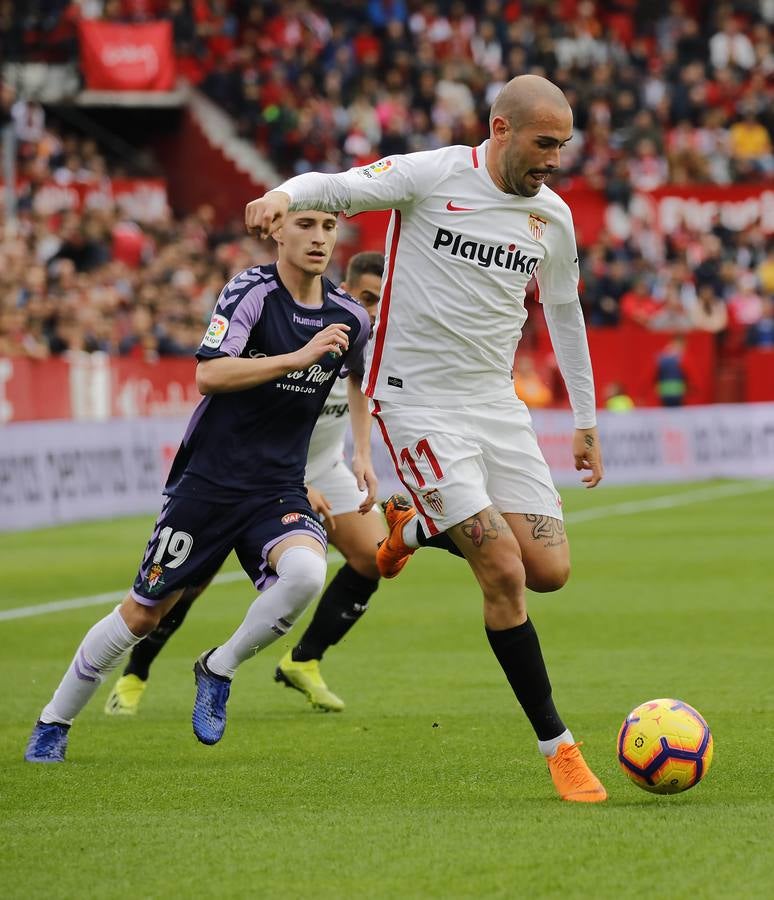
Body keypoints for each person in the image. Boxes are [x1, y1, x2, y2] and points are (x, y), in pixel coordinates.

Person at [245, 74, 607, 803]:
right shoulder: (433, 175)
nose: (555, 161)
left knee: (551, 570)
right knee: (502, 569)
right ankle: (559, 748)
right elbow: (338, 187)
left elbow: (565, 315)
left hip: (495, 406)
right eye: (544, 145)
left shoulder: (553, 218)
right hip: (416, 403)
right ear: (501, 130)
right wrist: (288, 193)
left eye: (563, 147)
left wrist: (587, 419)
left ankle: (411, 528)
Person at [24, 209, 375, 762]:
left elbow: (358, 377)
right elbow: (209, 373)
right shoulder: (251, 292)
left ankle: (218, 666)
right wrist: (299, 356)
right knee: (142, 614)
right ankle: (54, 721)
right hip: (208, 483)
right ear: (278, 231)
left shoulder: (350, 314)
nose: (319, 237)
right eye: (306, 224)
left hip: (277, 487)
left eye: (329, 227)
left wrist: (362, 451)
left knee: (307, 572)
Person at [103, 252, 387, 716]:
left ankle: (304, 661)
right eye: (366, 298)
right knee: (186, 583)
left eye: (381, 301)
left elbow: (358, 383)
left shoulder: (356, 335)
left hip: (322, 471)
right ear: (346, 288)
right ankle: (136, 672)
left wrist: (361, 453)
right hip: (266, 473)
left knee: (375, 557)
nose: (372, 310)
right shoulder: (307, 333)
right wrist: (295, 483)